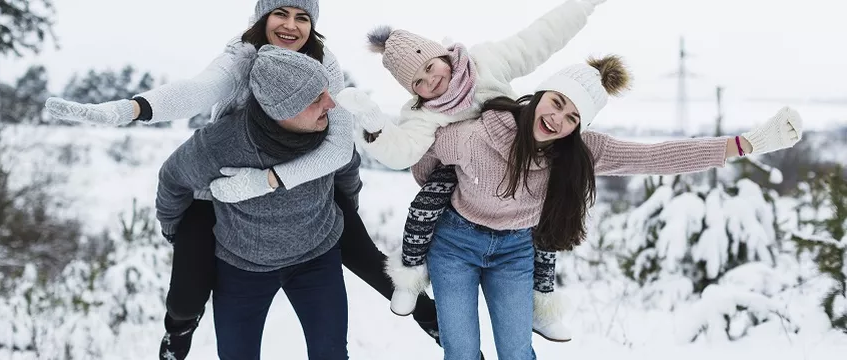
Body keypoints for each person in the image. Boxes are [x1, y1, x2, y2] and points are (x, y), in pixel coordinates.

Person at [44, 1, 444, 358]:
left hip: (307, 176)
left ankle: (429, 316)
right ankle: (179, 329)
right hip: (224, 183)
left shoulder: (323, 64)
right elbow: (197, 91)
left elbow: (340, 151)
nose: (291, 25)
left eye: (302, 17)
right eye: (280, 13)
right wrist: (132, 109)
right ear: (262, 17)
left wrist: (276, 182)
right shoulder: (240, 59)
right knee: (186, 292)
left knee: (363, 252)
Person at [403, 54, 803, 359]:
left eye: (572, 117)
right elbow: (425, 157)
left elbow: (656, 157)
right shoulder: (478, 134)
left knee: (517, 352)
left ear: (581, 126)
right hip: (454, 246)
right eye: (556, 102)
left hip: (514, 252)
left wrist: (743, 144)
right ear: (541, 95)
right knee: (461, 351)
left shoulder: (581, 152)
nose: (557, 119)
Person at [334, 0, 610, 341]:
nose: (431, 81)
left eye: (430, 66)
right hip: (460, 170)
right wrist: (376, 126)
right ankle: (410, 277)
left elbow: (538, 39)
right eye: (418, 82)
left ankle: (541, 303)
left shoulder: (486, 62)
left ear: (442, 55)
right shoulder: (423, 113)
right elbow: (402, 150)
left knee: (542, 211)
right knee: (424, 206)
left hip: (518, 155)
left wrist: (582, 6)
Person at [156, 45, 357, 360]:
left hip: (316, 258)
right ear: (283, 109)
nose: (331, 104)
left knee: (330, 354)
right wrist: (173, 230)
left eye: (326, 92)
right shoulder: (222, 143)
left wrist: (349, 205)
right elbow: (173, 177)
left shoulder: (326, 129)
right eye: (317, 98)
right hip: (242, 267)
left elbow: (347, 164)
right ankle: (179, 329)